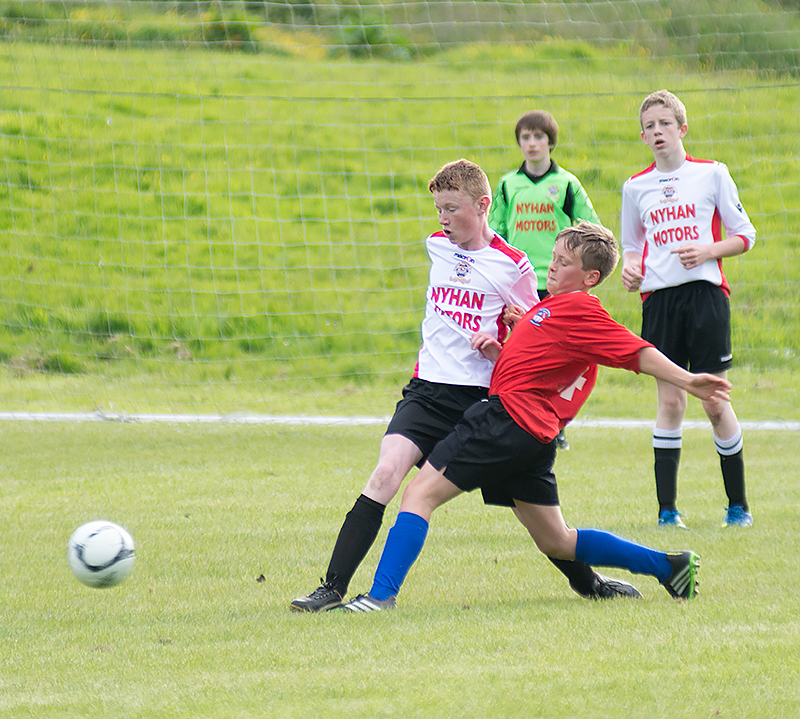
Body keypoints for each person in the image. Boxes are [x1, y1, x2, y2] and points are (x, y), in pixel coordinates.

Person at [291, 161, 637, 614]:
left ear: (483, 206)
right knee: (385, 475)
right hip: (426, 391)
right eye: (438, 209)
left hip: (481, 403)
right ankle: (332, 588)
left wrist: (504, 337)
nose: (443, 218)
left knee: (533, 513)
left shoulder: (513, 267)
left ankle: (588, 582)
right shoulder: (436, 246)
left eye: (452, 208)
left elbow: (538, 336)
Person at [342, 222, 730, 613]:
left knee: (418, 495)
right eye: (555, 258)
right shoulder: (551, 307)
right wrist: (501, 353)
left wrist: (688, 381)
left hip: (504, 422)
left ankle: (379, 597)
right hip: (531, 436)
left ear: (590, 277)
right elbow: (543, 367)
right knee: (557, 541)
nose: (554, 267)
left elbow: (636, 352)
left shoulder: (581, 309)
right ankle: (669, 566)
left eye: (565, 263)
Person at [620, 90, 756, 529]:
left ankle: (738, 507)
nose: (657, 131)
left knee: (715, 401)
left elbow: (745, 235)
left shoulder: (713, 174)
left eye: (665, 123)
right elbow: (631, 246)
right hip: (659, 303)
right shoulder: (634, 187)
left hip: (705, 297)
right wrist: (631, 267)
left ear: (682, 129)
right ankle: (667, 512)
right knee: (671, 401)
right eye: (650, 126)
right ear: (643, 136)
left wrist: (708, 250)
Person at [488, 109, 602, 451]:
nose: (532, 143)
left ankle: (554, 420)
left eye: (538, 136)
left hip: (558, 284)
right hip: (519, 284)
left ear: (550, 141)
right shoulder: (509, 185)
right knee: (517, 352)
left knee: (555, 356)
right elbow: (495, 233)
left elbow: (590, 228)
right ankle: (509, 414)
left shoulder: (566, 184)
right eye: (525, 137)